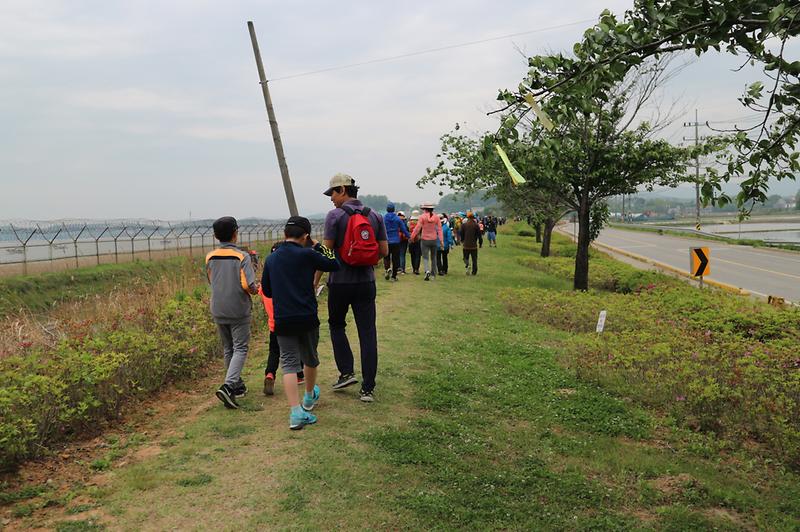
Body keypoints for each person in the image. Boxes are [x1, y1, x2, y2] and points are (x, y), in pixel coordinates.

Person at [262, 216, 340, 430]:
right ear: (305, 236)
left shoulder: (272, 259)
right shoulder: (308, 254)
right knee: (310, 358)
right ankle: (308, 397)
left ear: (285, 234)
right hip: (306, 316)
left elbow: (267, 290)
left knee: (288, 363)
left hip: (283, 318)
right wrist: (317, 245)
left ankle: (295, 412)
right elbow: (335, 263)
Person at [322, 173, 388, 402]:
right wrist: (367, 262)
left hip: (339, 283)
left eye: (332, 193)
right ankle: (368, 388)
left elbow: (326, 252)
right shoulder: (375, 216)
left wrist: (315, 278)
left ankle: (347, 371)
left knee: (336, 325)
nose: (331, 198)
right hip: (366, 283)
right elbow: (384, 251)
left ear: (342, 190)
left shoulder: (334, 216)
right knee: (368, 332)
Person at [206, 216, 259, 409]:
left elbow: (212, 280)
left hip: (218, 308)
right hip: (238, 308)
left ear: (215, 235)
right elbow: (248, 284)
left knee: (228, 349)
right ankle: (228, 386)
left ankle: (236, 387)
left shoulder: (209, 256)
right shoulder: (241, 256)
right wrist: (256, 289)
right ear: (236, 233)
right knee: (241, 348)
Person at [259, 243, 304, 396]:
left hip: (273, 324)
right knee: (297, 347)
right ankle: (299, 375)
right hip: (289, 321)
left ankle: (270, 374)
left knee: (274, 351)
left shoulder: (264, 286)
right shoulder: (286, 283)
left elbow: (263, 294)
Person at [411, 202, 443, 281]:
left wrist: (412, 237)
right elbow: (439, 229)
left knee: (425, 257)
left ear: (425, 209)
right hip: (434, 239)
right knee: (433, 257)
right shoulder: (436, 217)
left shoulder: (422, 217)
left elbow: (418, 228)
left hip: (425, 239)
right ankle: (433, 273)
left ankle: (427, 270)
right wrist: (441, 240)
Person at [382, 203, 410, 281]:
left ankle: (387, 269)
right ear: (394, 209)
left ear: (387, 209)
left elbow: (380, 229)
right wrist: (409, 236)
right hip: (396, 241)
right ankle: (394, 276)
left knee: (386, 257)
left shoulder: (383, 218)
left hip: (386, 240)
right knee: (395, 259)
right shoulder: (397, 219)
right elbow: (403, 229)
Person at [460, 211, 481, 276]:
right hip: (474, 245)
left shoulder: (464, 225)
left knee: (465, 258)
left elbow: (461, 234)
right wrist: (480, 243)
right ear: (473, 217)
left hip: (466, 245)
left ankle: (467, 264)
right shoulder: (476, 225)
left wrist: (462, 240)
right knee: (474, 259)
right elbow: (479, 235)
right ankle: (474, 272)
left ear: (467, 217)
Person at [407, 211, 422, 275]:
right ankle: (417, 269)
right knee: (418, 255)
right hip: (419, 240)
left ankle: (413, 269)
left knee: (412, 255)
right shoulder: (420, 223)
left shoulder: (409, 223)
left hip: (411, 240)